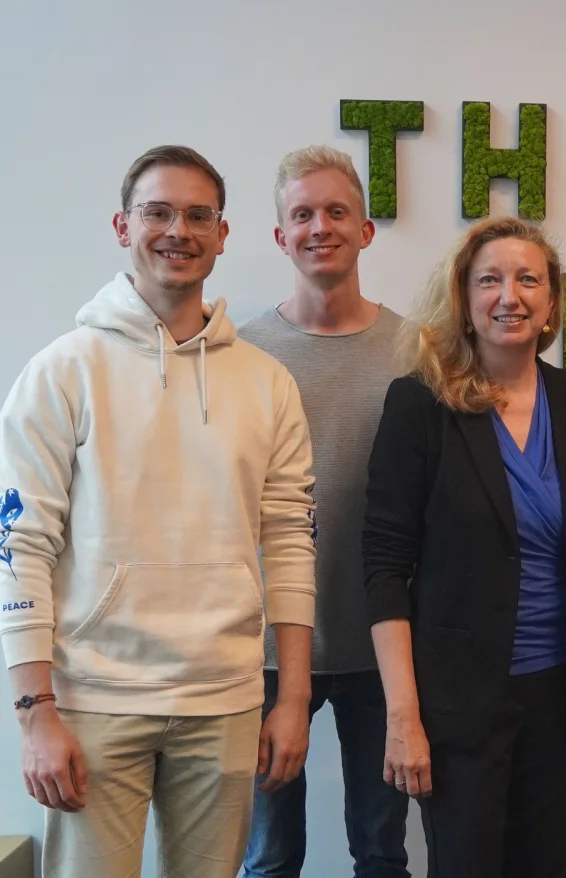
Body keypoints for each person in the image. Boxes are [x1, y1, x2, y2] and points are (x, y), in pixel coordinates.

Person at [0, 145, 317, 878]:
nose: (178, 229)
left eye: (198, 215)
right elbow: (19, 542)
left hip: (227, 702)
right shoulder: (64, 370)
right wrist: (34, 711)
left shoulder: (267, 384)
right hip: (94, 700)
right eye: (158, 212)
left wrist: (291, 695)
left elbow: (292, 542)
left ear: (222, 233)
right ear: (123, 226)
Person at [361, 216, 566, 878]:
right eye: (489, 279)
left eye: (527, 279)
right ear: (465, 296)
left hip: (563, 699)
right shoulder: (419, 405)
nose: (508, 296)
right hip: (458, 707)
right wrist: (403, 715)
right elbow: (384, 567)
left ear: (550, 302)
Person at [239, 146, 410, 878]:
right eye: (301, 215)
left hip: (383, 641)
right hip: (269, 650)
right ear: (280, 237)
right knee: (269, 858)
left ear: (365, 229)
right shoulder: (243, 354)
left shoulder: (415, 349)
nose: (320, 227)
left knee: (380, 851)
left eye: (336, 211)